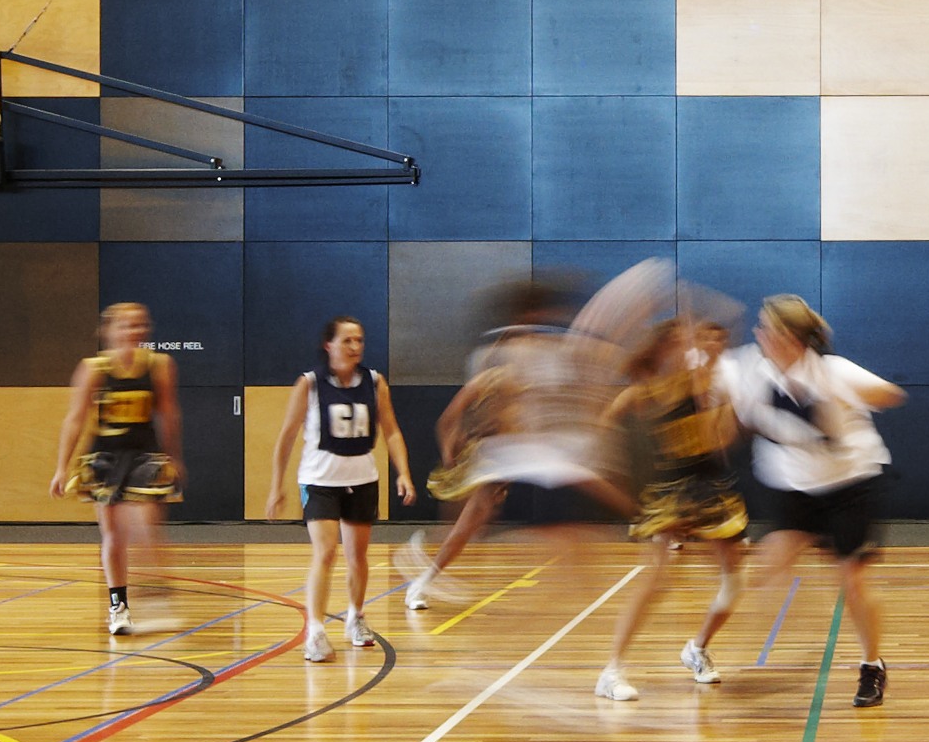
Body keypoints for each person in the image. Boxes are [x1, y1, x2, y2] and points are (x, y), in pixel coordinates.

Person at [397, 268, 653, 612]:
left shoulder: (543, 349)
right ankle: (424, 578)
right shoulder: (498, 359)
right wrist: (452, 451)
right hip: (506, 448)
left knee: (588, 481)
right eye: (540, 313)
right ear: (528, 315)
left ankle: (639, 516)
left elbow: (579, 373)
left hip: (534, 444)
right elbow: (455, 417)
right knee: (475, 518)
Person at [718, 295, 904, 709]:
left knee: (851, 582)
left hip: (850, 482)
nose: (757, 333)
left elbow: (891, 394)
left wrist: (864, 395)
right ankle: (735, 647)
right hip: (790, 485)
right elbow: (700, 375)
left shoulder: (832, 373)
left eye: (766, 328)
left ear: (789, 338)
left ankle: (871, 664)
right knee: (768, 567)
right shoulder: (747, 369)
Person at [594, 316, 749, 701]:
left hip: (710, 487)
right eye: (684, 341)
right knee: (658, 578)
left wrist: (720, 405)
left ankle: (696, 648)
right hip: (671, 489)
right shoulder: (646, 389)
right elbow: (605, 425)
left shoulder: (708, 382)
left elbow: (723, 441)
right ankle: (611, 671)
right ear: (665, 347)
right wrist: (618, 473)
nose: (694, 346)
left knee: (734, 582)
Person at [262, 316, 416, 662]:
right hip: (320, 481)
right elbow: (287, 436)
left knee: (357, 556)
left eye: (359, 340)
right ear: (329, 345)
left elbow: (391, 431)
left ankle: (355, 616)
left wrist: (403, 473)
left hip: (362, 479)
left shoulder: (375, 383)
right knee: (326, 552)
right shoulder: (311, 384)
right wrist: (276, 487)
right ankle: (315, 630)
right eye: (347, 340)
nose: (355, 346)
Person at [49, 301, 182, 637]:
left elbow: (168, 413)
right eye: (126, 325)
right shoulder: (94, 368)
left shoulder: (159, 365)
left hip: (144, 454)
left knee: (146, 523)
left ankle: (154, 590)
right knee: (113, 535)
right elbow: (75, 418)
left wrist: (173, 456)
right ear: (110, 331)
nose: (134, 331)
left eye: (140, 325)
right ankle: (118, 607)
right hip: (106, 456)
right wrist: (61, 467)